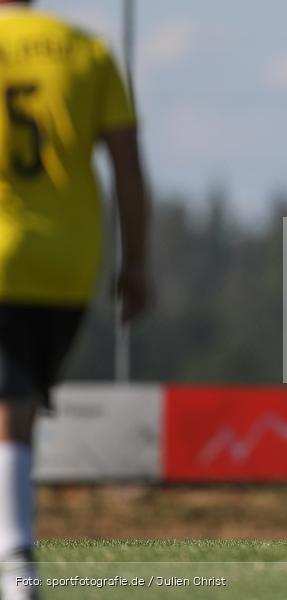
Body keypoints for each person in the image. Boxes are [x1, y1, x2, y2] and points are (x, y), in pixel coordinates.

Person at [0, 1, 149, 597]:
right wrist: (135, 261)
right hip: (64, 263)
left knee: (8, 403)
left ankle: (15, 560)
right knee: (15, 404)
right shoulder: (87, 51)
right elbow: (128, 170)